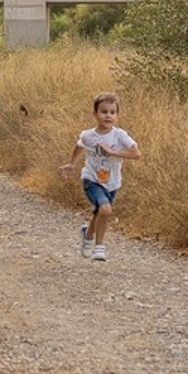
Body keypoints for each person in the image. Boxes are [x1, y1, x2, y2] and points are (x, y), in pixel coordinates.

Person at [59, 92, 141, 262]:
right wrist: (71, 164)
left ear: (117, 115)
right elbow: (79, 146)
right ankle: (99, 247)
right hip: (92, 179)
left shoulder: (120, 135)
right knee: (105, 210)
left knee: (99, 214)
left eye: (112, 112)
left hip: (112, 182)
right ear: (95, 114)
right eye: (104, 111)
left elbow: (136, 154)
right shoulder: (89, 135)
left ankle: (87, 235)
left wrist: (113, 152)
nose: (108, 115)